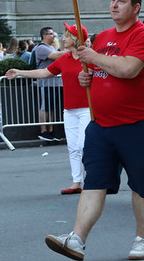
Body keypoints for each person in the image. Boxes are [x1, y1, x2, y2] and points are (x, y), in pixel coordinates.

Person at [45, 0, 144, 261]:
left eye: (121, 1)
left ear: (135, 8)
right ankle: (76, 239)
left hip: (136, 123)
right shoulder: (103, 37)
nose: (114, 5)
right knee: (93, 182)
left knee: (141, 183)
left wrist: (93, 58)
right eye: (112, 0)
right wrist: (88, 77)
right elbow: (99, 72)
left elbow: (128, 69)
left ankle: (142, 240)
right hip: (101, 124)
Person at [6, 23, 90, 195]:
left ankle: (95, 179)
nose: (63, 38)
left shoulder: (89, 58)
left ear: (75, 39)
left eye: (66, 35)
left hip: (88, 109)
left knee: (83, 145)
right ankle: (77, 182)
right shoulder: (64, 60)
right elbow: (44, 73)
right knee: (73, 147)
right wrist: (19, 72)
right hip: (70, 109)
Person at [35, 27, 65, 141]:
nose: (54, 36)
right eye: (51, 34)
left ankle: (51, 130)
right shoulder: (42, 48)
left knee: (51, 107)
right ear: (44, 36)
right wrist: (72, 50)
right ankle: (43, 131)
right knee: (45, 107)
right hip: (46, 82)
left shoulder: (52, 47)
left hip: (55, 83)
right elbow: (56, 56)